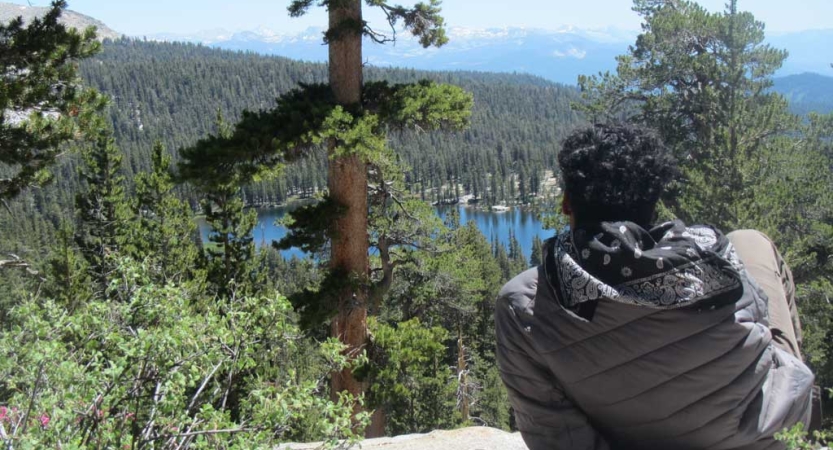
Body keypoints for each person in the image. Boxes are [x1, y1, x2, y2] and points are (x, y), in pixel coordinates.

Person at [495, 123, 814, 450]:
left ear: (566, 203)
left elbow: (557, 438)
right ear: (653, 202)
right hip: (766, 438)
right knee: (751, 241)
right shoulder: (717, 261)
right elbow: (758, 327)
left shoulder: (524, 303)